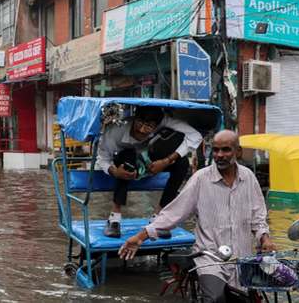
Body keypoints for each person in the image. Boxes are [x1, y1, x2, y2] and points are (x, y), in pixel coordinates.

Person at [119, 130, 277, 303]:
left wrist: (265, 239)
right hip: (210, 259)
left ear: (237, 152)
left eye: (226, 150)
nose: (219, 155)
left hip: (242, 259)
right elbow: (173, 214)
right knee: (215, 299)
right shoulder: (200, 179)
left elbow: (258, 217)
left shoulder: (249, 178)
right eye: (216, 150)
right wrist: (141, 237)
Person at [97, 106, 202, 239]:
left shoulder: (164, 121)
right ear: (135, 119)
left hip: (152, 160)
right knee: (126, 159)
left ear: (157, 125)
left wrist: (167, 161)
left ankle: (159, 217)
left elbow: (195, 136)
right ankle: (114, 217)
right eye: (139, 123)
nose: (141, 130)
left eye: (148, 126)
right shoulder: (115, 132)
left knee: (182, 163)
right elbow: (102, 159)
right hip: (128, 165)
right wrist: (115, 172)